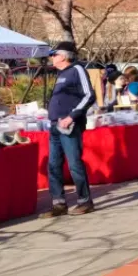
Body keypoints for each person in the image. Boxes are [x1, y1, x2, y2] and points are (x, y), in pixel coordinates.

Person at [40, 41, 96, 218]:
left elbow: (89, 95)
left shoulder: (77, 70)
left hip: (69, 126)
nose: (52, 57)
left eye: (54, 54)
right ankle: (58, 203)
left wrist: (72, 116)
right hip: (55, 126)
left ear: (64, 56)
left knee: (74, 164)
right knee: (53, 165)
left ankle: (85, 201)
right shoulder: (61, 74)